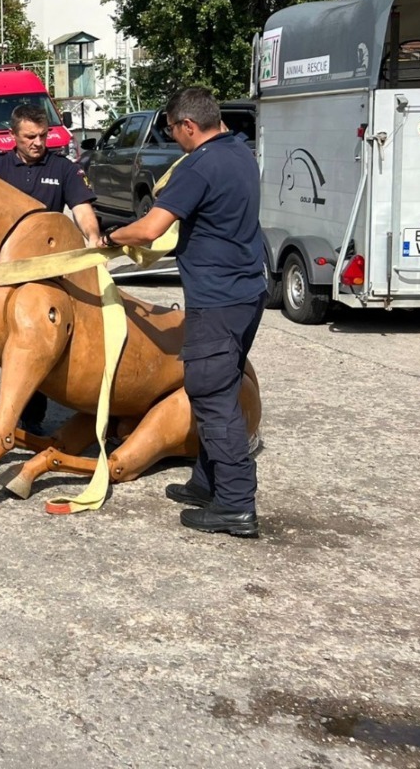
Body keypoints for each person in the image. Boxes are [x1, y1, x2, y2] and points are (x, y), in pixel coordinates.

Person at [103, 87, 267, 538]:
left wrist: (113, 238)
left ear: (188, 126)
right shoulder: (239, 153)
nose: (173, 139)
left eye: (173, 131)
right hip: (248, 293)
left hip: (217, 300)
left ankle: (235, 505)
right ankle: (206, 482)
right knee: (223, 384)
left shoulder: (198, 165)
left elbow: (153, 226)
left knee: (211, 394)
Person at [0, 103, 104, 439]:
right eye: (30, 137)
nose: (38, 142)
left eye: (42, 135)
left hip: (44, 272)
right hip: (1, 272)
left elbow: (82, 208)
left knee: (39, 344)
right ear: (13, 136)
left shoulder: (64, 168)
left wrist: (94, 237)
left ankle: (31, 417)